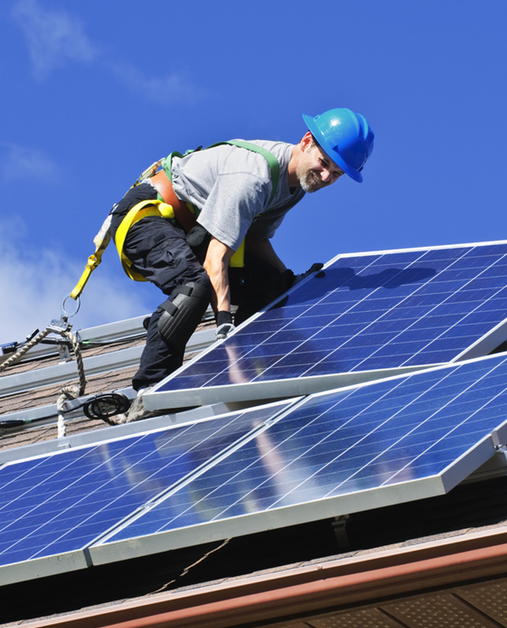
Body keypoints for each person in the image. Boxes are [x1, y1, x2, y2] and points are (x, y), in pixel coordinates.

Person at [109, 108, 374, 420]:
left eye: (337, 173)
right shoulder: (255, 176)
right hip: (147, 216)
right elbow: (215, 260)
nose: (327, 176)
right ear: (306, 142)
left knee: (273, 286)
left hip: (193, 230)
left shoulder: (294, 186)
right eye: (324, 163)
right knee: (195, 286)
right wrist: (224, 325)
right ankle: (151, 391)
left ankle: (258, 368)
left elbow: (256, 240)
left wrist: (287, 279)